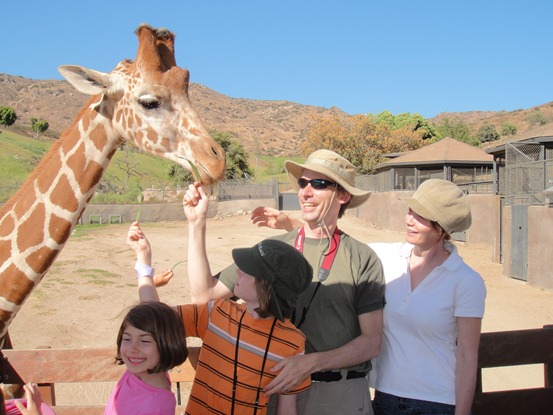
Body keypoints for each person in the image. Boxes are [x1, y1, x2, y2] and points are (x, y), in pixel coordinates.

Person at [253, 179, 487, 415]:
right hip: (384, 397)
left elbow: (467, 355)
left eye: (421, 217)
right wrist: (289, 224)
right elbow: (337, 245)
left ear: (441, 228)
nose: (409, 220)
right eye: (410, 211)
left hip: (436, 402)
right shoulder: (386, 257)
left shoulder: (466, 281)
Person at [182, 149, 386, 415]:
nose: (305, 191)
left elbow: (372, 342)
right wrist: (196, 224)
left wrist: (310, 363)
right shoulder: (271, 250)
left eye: (319, 184)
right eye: (303, 183)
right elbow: (205, 296)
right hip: (272, 392)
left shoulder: (362, 258)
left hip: (337, 396)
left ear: (343, 195)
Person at [127, 221, 313, 415]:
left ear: (266, 287)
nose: (238, 271)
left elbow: (287, 407)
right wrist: (143, 261)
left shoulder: (292, 343)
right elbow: (154, 320)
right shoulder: (216, 312)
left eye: (248, 268)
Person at [104, 301, 189, 415]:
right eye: (127, 339)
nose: (133, 348)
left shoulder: (156, 406)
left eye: (144, 341)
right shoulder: (137, 372)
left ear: (167, 345)